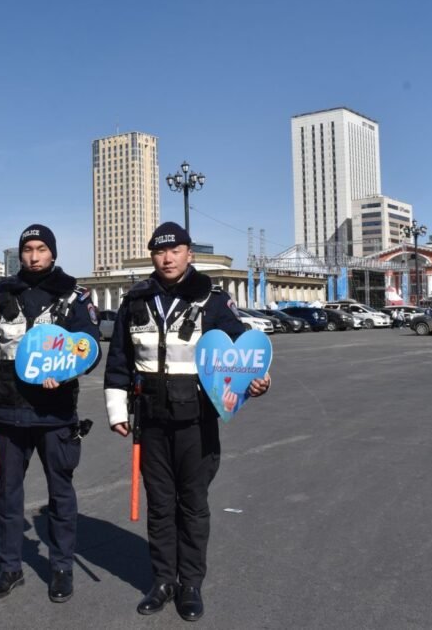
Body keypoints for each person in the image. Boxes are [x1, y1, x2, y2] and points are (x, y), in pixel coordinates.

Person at [103, 222, 271, 622]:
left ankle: (191, 584)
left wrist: (257, 381)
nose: (167, 258)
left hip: (197, 418)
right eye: (160, 252)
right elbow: (119, 359)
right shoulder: (136, 299)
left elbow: (240, 348)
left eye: (175, 250)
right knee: (160, 505)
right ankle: (163, 581)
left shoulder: (213, 299)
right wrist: (117, 410)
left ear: (189, 254)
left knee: (193, 504)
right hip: (150, 420)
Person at [0, 224, 101, 604]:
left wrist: (65, 370)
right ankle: (9, 568)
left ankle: (61, 568)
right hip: (9, 410)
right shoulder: (2, 293)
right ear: (20, 254)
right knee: (8, 495)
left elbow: (90, 347)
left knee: (60, 494)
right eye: (27, 249)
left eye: (41, 249)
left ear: (53, 252)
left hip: (55, 411)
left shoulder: (74, 295)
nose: (34, 256)